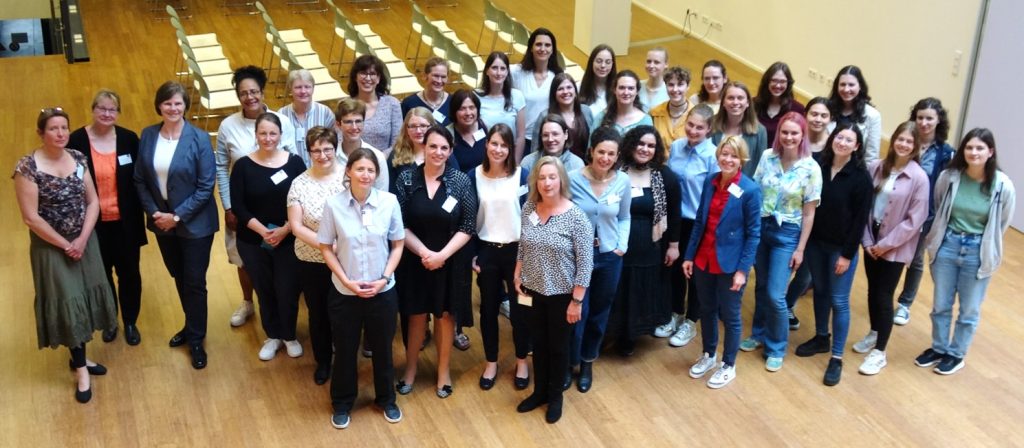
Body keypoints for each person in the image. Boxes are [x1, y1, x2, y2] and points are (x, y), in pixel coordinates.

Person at [15, 107, 117, 403]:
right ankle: (81, 368)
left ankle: (79, 359)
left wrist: (83, 238)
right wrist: (65, 245)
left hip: (84, 242)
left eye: (64, 128)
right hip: (52, 248)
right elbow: (31, 218)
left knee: (85, 295)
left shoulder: (78, 158)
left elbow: (93, 201)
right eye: (53, 129)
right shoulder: (27, 168)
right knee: (69, 300)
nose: (60, 134)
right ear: (41, 133)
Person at [914, 128, 1015, 375]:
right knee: (940, 304)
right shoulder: (949, 177)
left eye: (980, 148)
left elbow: (1001, 223)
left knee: (969, 309)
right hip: (948, 245)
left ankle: (956, 354)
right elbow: (939, 206)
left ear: (990, 152)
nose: (974, 152)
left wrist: (982, 243)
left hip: (977, 251)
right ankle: (938, 348)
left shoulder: (1003, 185)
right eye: (969, 147)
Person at [318, 148, 406, 429]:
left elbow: (398, 244)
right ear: (348, 171)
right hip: (346, 292)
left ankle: (386, 399)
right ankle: (342, 403)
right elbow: (325, 246)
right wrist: (345, 280)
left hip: (382, 291)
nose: (365, 175)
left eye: (371, 170)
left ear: (376, 175)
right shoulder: (333, 205)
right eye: (360, 169)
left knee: (383, 349)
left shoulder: (389, 202)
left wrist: (384, 277)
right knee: (345, 350)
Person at [135, 81, 219, 370]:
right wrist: (156, 213)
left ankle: (196, 339)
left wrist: (177, 216)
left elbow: (206, 186)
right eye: (168, 103)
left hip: (196, 225)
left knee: (194, 281)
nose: (173, 108)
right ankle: (191, 323)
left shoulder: (199, 138)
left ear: (185, 106)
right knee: (179, 276)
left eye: (178, 103)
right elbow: (140, 180)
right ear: (159, 105)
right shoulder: (147, 135)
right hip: (162, 223)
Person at [394, 126, 477, 399]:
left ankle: (443, 372)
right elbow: (400, 224)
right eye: (433, 146)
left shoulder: (461, 181)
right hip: (414, 260)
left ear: (450, 151)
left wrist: (441, 256)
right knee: (415, 317)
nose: (438, 152)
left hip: (450, 262)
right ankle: (410, 370)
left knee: (444, 318)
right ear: (424, 147)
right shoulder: (406, 179)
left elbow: (467, 225)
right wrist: (425, 254)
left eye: (444, 148)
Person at [216, 65, 297, 329]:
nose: (249, 97)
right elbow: (221, 166)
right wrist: (229, 207)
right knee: (245, 259)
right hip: (246, 210)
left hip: (281, 210)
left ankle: (281, 317)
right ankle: (248, 302)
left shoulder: (281, 120)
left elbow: (295, 162)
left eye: (254, 92)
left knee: (282, 269)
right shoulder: (228, 125)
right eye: (243, 93)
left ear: (262, 92)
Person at [740, 111, 822, 372]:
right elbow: (754, 190)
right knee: (761, 286)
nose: (789, 137)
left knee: (776, 294)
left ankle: (776, 346)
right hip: (762, 228)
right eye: (784, 132)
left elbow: (809, 213)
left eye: (794, 133)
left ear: (802, 136)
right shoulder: (767, 157)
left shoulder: (811, 168)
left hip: (788, 233)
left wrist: (800, 248)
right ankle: (759, 333)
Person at [514, 156, 594, 424]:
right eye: (542, 177)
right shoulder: (529, 208)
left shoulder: (576, 217)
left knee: (558, 348)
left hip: (563, 295)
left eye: (552, 177)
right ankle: (539, 392)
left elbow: (585, 263)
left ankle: (555, 397)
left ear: (561, 180)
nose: (547, 183)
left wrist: (577, 301)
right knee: (538, 344)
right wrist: (517, 274)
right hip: (533, 290)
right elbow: (523, 245)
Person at [793, 123, 872, 386]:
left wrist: (847, 255)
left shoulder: (861, 178)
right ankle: (821, 337)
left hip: (841, 250)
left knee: (838, 301)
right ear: (832, 139)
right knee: (821, 293)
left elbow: (860, 221)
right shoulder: (818, 165)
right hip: (816, 244)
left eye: (849, 140)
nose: (843, 142)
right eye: (839, 137)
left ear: (857, 146)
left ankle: (837, 357)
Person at [681, 136, 761, 389]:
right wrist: (689, 255)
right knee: (707, 310)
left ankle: (728, 364)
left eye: (734, 156)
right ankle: (708, 354)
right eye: (724, 154)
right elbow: (700, 222)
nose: (728, 159)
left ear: (742, 160)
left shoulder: (749, 190)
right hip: (704, 258)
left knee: (731, 315)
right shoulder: (710, 181)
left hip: (730, 264)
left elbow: (753, 234)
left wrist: (742, 271)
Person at [68, 89, 146, 346]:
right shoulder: (76, 141)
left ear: (118, 113)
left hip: (126, 223)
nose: (106, 113)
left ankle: (131, 321)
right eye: (101, 108)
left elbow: (140, 180)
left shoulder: (128, 139)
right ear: (93, 109)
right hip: (93, 225)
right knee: (102, 275)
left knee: (130, 274)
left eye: (112, 109)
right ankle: (110, 320)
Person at [852, 122, 930, 376]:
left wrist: (884, 246)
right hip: (871, 241)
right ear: (893, 139)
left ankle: (880, 352)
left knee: (884, 296)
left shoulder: (919, 177)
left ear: (916, 146)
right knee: (872, 291)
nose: (904, 145)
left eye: (910, 142)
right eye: (900, 139)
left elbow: (914, 221)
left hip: (893, 247)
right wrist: (867, 241)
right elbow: (863, 205)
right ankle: (874, 332)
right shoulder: (876, 167)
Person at [230, 113, 307, 361]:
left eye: (272, 133)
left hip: (290, 238)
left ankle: (289, 335)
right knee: (264, 289)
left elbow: (304, 200)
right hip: (253, 240)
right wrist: (264, 231)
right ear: (256, 135)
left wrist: (285, 229)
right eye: (262, 133)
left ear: (280, 135)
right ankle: (272, 335)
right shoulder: (242, 166)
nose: (268, 138)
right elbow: (239, 207)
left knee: (287, 289)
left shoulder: (295, 163)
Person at [566, 126, 631, 393]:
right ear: (591, 151)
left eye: (611, 154)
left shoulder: (622, 181)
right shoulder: (571, 178)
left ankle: (588, 361)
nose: (605, 158)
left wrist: (621, 246)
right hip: (576, 258)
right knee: (576, 313)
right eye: (601, 152)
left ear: (617, 156)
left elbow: (624, 216)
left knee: (599, 313)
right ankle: (569, 363)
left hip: (608, 257)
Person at [607, 126, 681, 356]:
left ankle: (632, 336)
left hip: (650, 247)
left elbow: (675, 212)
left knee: (641, 290)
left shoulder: (664, 176)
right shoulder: (617, 171)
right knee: (619, 289)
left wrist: (674, 246)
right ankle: (615, 332)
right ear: (631, 144)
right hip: (618, 245)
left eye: (651, 146)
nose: (645, 149)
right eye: (641, 144)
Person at [472, 124, 531, 390]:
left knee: (522, 311)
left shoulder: (522, 175)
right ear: (486, 145)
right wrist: (473, 254)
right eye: (494, 143)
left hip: (518, 252)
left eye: (504, 145)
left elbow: (532, 217)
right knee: (488, 310)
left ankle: (521, 360)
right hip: (487, 251)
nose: (498, 149)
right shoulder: (473, 176)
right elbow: (469, 219)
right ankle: (491, 361)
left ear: (510, 149)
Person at [286, 127, 346, 384]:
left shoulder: (350, 175)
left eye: (327, 149)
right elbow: (297, 227)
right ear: (309, 152)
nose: (322, 155)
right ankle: (323, 361)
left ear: (335, 148)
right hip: (312, 260)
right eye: (316, 150)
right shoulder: (299, 183)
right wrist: (328, 247)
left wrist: (340, 249)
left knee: (345, 313)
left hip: (347, 259)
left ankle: (345, 359)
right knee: (318, 312)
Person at [654, 104, 718, 347]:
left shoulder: (713, 156)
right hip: (674, 219)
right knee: (674, 269)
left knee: (695, 273)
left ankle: (691, 321)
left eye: (699, 127)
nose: (693, 130)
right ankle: (675, 314)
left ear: (709, 129)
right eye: (690, 125)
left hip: (697, 221)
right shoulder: (678, 146)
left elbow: (714, 193)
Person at [894, 98, 956, 326]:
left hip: (925, 215)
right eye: (920, 117)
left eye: (929, 118)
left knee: (915, 258)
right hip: (897, 208)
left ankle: (904, 304)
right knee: (893, 253)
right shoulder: (905, 141)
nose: (924, 122)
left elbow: (944, 188)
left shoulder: (946, 153)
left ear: (938, 120)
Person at [782, 96, 831, 329]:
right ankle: (774, 305)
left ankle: (787, 304)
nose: (818, 119)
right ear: (805, 115)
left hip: (818, 216)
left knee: (807, 271)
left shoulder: (834, 146)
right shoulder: (793, 140)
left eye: (823, 115)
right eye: (814, 114)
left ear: (830, 119)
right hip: (791, 214)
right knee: (784, 265)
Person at [512, 28, 563, 155]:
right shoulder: (516, 73)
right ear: (531, 47)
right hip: (522, 139)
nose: (543, 49)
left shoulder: (558, 76)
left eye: (547, 45)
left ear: (552, 50)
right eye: (538, 44)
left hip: (548, 140)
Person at [528, 72, 594, 160]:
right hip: (553, 168)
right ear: (554, 94)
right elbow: (535, 149)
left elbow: (592, 142)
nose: (565, 92)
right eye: (560, 89)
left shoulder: (586, 111)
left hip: (583, 168)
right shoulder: (545, 115)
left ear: (575, 91)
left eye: (569, 87)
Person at [278, 69, 336, 167]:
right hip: (292, 169)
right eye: (298, 87)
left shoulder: (325, 113)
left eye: (307, 87)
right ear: (290, 89)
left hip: (320, 169)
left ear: (313, 88)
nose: (303, 91)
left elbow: (333, 144)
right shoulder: (282, 115)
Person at [476, 51, 527, 159]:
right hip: (484, 156)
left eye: (503, 69)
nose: (499, 73)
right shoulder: (476, 97)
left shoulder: (517, 96)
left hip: (509, 157)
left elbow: (520, 136)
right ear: (486, 71)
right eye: (494, 68)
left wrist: (516, 163)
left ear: (507, 72)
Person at [710, 81, 768, 176]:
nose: (735, 102)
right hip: (712, 183)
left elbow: (760, 167)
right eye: (730, 98)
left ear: (748, 102)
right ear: (723, 102)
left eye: (740, 98)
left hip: (743, 187)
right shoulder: (712, 124)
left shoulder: (760, 131)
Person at [347, 54, 402, 152]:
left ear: (378, 78)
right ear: (355, 77)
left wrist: (380, 159)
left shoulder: (392, 104)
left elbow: (397, 142)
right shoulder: (346, 105)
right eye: (363, 73)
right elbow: (340, 141)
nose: (368, 78)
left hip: (385, 162)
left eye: (372, 74)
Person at [827, 65, 881, 163]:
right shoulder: (828, 109)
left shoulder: (873, 116)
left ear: (860, 86)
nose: (846, 89)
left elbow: (871, 157)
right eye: (842, 84)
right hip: (825, 164)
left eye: (851, 85)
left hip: (853, 171)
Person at [333, 98, 389, 192]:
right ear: (338, 124)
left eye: (358, 121)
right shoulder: (331, 157)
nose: (354, 127)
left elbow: (382, 195)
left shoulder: (377, 156)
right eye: (348, 122)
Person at [387, 107, 444, 193]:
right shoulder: (396, 156)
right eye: (413, 126)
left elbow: (457, 184)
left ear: (432, 127)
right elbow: (390, 193)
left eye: (423, 126)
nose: (418, 131)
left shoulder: (443, 152)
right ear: (406, 129)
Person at [753, 62, 805, 145]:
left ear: (788, 84)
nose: (778, 85)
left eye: (782, 81)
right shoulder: (753, 104)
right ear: (767, 82)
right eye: (774, 80)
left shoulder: (798, 109)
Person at [520, 114, 585, 177]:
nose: (550, 139)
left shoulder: (576, 164)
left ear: (566, 135)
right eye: (545, 135)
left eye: (555, 134)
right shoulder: (528, 162)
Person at [593, 70, 653, 136]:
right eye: (622, 88)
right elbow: (591, 145)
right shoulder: (601, 117)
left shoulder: (645, 120)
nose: (626, 92)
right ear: (614, 90)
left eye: (631, 88)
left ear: (637, 91)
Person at [401, 57, 452, 126]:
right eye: (436, 76)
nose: (439, 81)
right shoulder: (409, 103)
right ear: (425, 76)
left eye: (443, 77)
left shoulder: (453, 102)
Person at [649, 66, 692, 147]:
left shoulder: (696, 114)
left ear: (688, 86)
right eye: (671, 85)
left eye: (680, 84)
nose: (675, 89)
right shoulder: (654, 113)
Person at [449, 88, 488, 172]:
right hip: (459, 184)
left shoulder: (486, 128)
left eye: (471, 107)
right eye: (462, 109)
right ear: (454, 111)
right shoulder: (447, 134)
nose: (468, 113)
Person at [577, 44, 616, 117]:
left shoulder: (618, 89)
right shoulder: (578, 87)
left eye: (608, 62)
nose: (603, 66)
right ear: (592, 62)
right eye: (599, 61)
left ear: (612, 65)